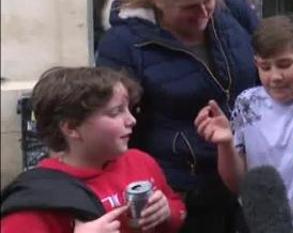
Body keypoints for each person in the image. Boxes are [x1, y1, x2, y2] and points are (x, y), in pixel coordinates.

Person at [96, 0, 259, 233]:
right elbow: (115, 122)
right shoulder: (124, 43)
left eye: (208, 0)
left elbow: (265, 63)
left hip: (249, 174)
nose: (204, 13)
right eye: (189, 7)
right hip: (181, 190)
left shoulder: (231, 9)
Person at [194, 15, 293, 231]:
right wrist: (225, 144)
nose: (275, 76)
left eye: (284, 65)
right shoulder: (247, 103)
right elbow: (238, 183)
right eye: (265, 67)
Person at [0, 66, 186, 233]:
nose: (131, 120)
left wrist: (168, 212)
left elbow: (178, 212)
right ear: (71, 128)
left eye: (129, 109)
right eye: (116, 112)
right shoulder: (36, 198)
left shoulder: (140, 161)